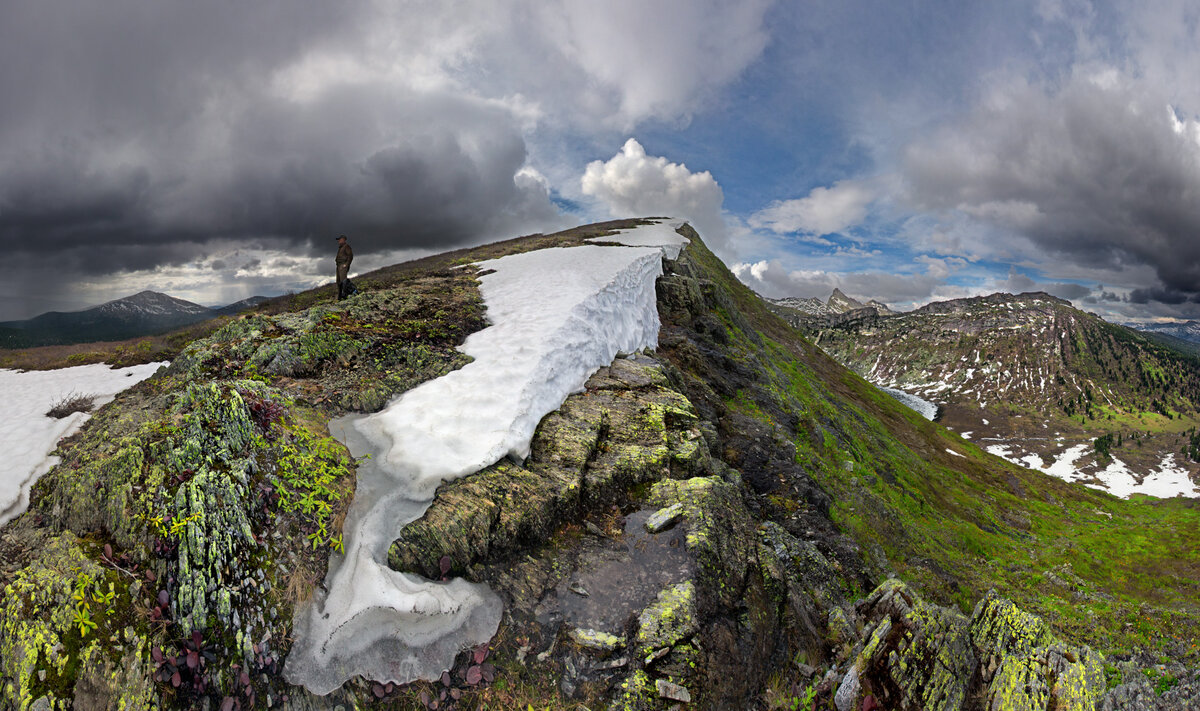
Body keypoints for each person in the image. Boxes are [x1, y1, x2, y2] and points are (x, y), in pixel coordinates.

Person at [335, 234, 354, 300]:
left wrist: (346, 264)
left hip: (343, 265)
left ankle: (344, 295)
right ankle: (340, 296)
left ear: (343, 239)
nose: (338, 241)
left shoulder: (346, 246)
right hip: (338, 265)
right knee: (338, 281)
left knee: (343, 281)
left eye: (339, 240)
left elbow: (350, 256)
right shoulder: (341, 247)